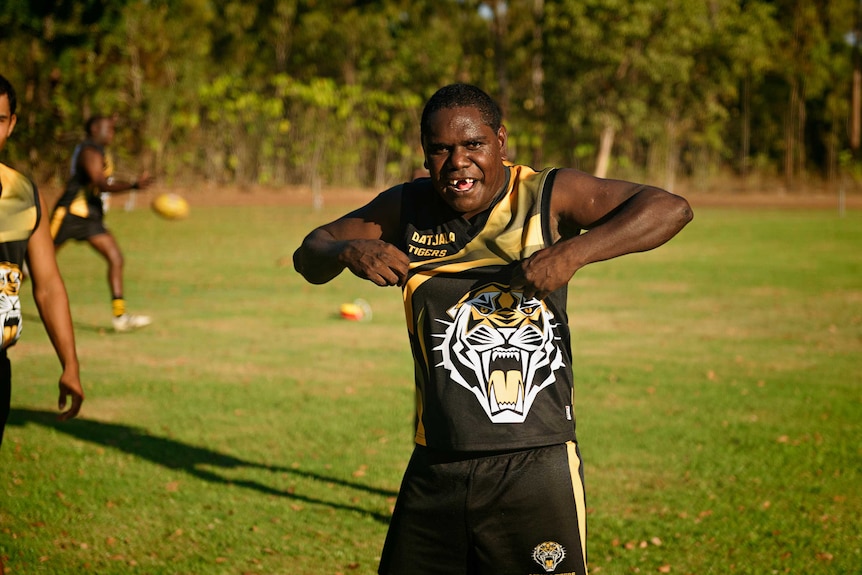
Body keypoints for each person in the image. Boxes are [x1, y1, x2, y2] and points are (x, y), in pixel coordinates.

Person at [293, 83, 693, 575]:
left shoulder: (546, 194)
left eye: (473, 145)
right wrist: (347, 251)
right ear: (425, 156)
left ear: (501, 141)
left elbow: (670, 208)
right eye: (440, 149)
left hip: (535, 465)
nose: (457, 162)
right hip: (436, 462)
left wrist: (572, 252)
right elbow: (310, 254)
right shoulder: (406, 207)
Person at [0, 74, 84, 451]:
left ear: (12, 124)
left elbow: (48, 285)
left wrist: (70, 363)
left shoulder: (24, 195)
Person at [50, 114, 153, 332]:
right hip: (69, 215)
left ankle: (120, 317)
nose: (113, 133)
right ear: (95, 129)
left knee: (115, 258)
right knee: (32, 266)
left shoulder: (99, 151)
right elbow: (101, 183)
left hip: (89, 218)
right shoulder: (89, 152)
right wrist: (133, 185)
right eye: (109, 129)